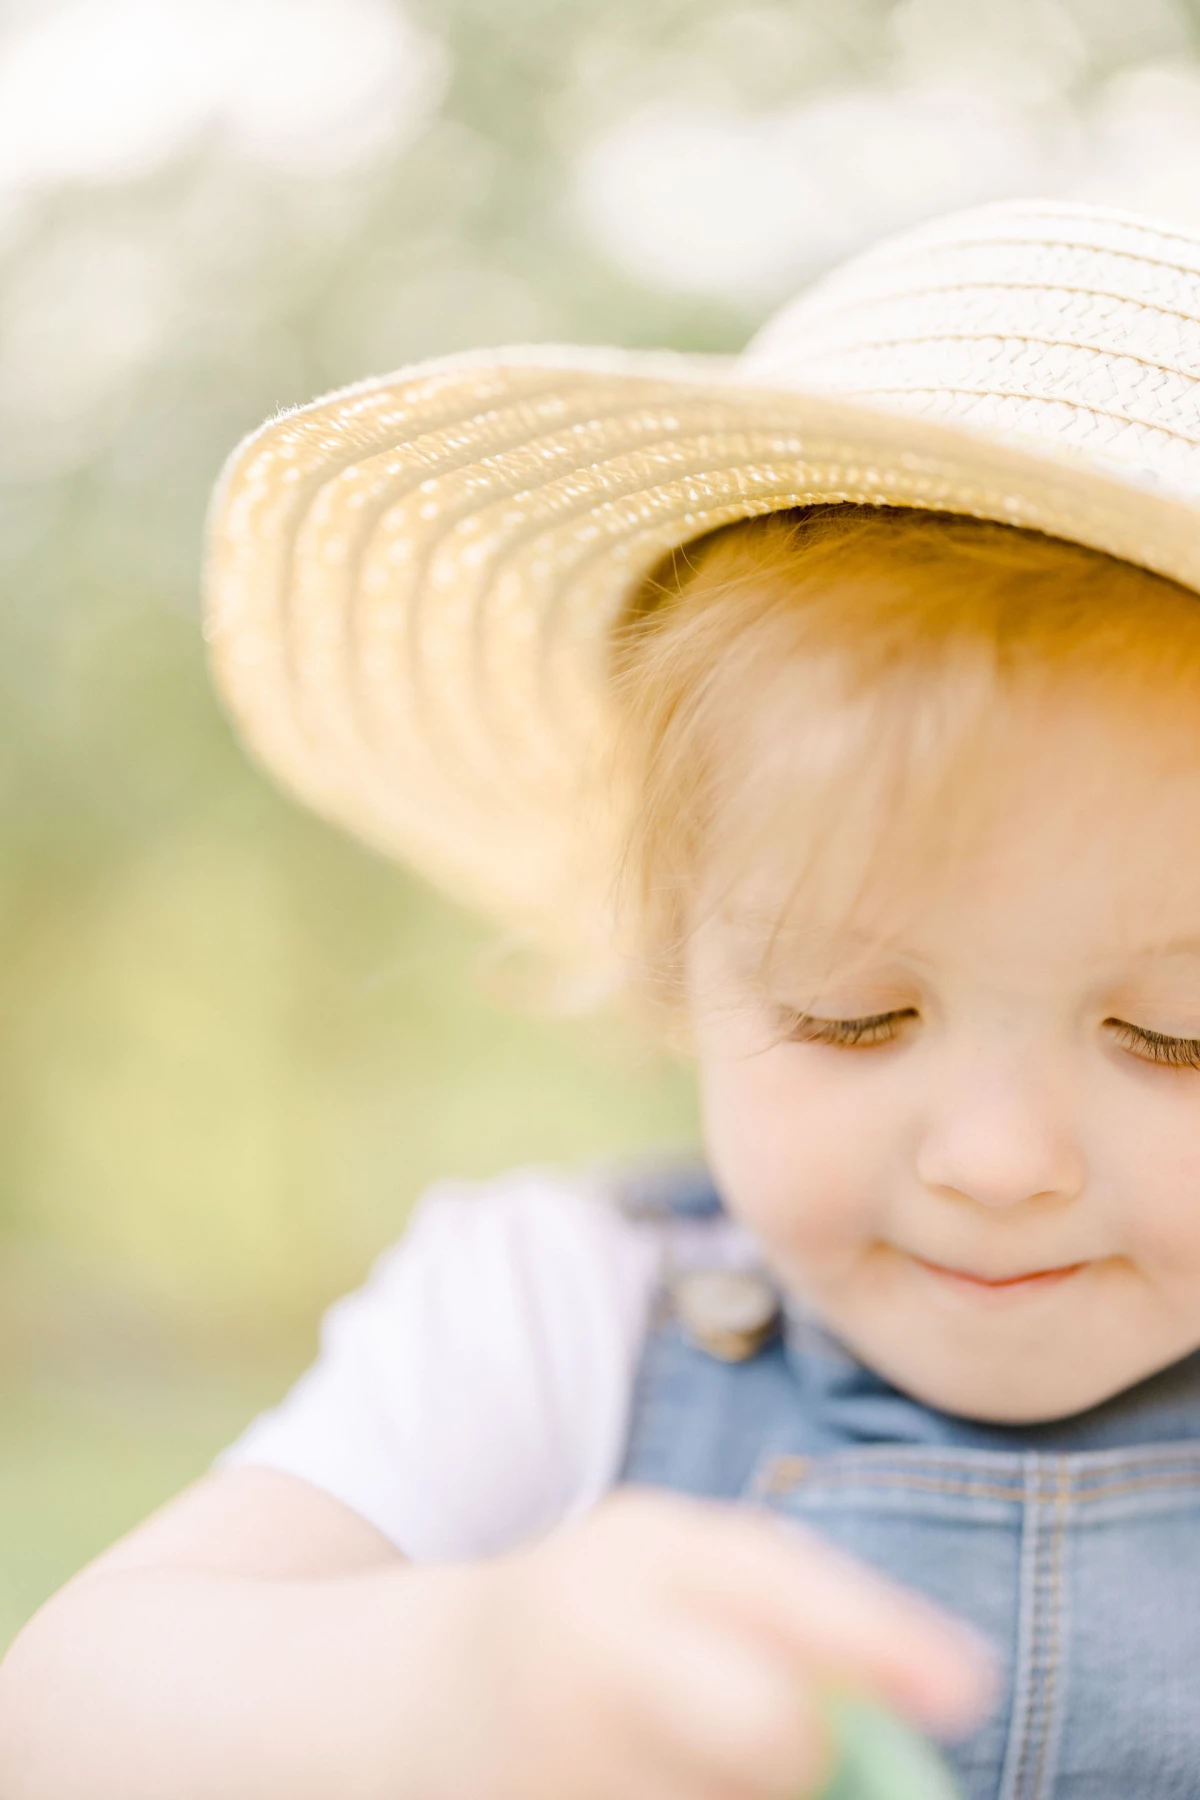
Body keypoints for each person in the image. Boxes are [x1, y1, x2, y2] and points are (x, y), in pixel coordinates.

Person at [5, 194, 1200, 1799]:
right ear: (679, 967)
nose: (997, 1159)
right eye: (851, 1013)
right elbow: (60, 1715)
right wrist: (456, 1677)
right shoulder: (565, 1316)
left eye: (1175, 1037)